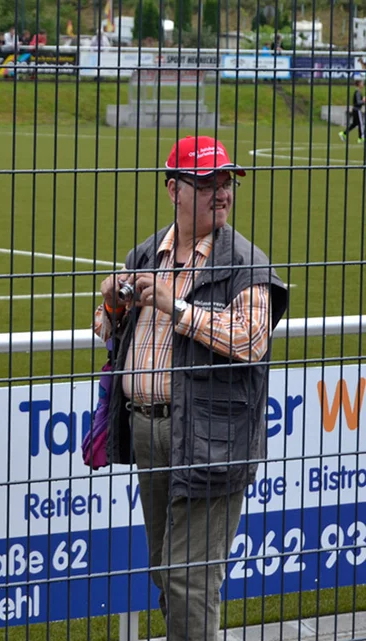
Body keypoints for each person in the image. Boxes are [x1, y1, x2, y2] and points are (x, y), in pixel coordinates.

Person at [95, 136, 289, 641]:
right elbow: (105, 329)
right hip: (148, 430)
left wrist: (176, 307)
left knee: (190, 579)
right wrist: (112, 304)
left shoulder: (246, 262)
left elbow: (250, 339)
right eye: (207, 184)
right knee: (166, 570)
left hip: (210, 436)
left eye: (226, 182)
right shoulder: (148, 253)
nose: (221, 192)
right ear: (173, 190)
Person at [339, 76, 365, 143]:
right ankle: (361, 138)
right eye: (362, 83)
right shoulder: (358, 92)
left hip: (355, 110)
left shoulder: (358, 92)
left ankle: (344, 133)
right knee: (361, 124)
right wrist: (363, 101)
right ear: (359, 84)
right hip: (357, 110)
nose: (363, 84)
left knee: (354, 124)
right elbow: (358, 102)